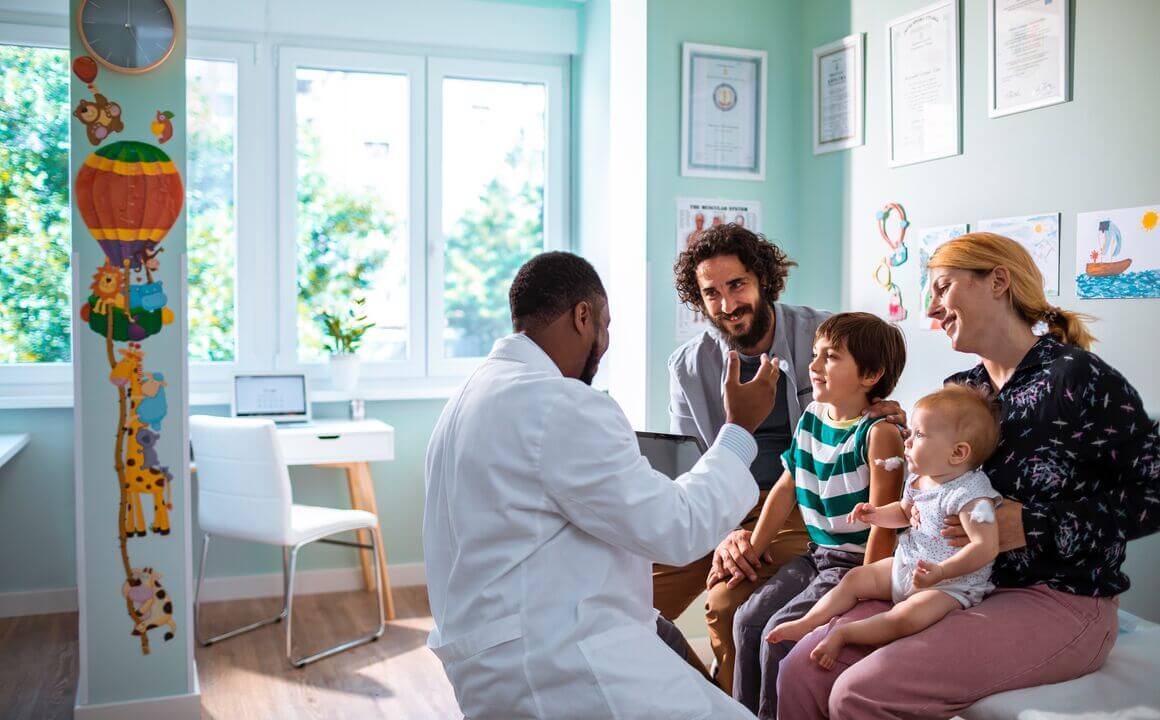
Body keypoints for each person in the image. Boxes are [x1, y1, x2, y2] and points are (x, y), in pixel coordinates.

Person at [777, 232, 1160, 719]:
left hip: (1059, 597)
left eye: (941, 289)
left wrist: (1032, 525)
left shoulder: (1076, 378)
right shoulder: (965, 389)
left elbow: (1153, 490)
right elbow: (938, 480)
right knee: (803, 669)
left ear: (997, 281)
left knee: (859, 692)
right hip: (960, 585)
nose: (932, 310)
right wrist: (902, 434)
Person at [423, 251, 776, 720]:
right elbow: (678, 529)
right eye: (604, 325)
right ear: (582, 316)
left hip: (493, 659)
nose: (605, 342)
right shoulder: (560, 403)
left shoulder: (472, 396)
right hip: (558, 662)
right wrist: (739, 429)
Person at [665, 223, 901, 693]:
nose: (728, 305)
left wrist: (887, 416)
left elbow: (870, 416)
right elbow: (691, 466)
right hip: (721, 504)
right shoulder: (687, 366)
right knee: (629, 593)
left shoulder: (825, 338)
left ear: (763, 281)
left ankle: (740, 699)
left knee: (727, 604)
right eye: (711, 293)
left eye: (737, 285)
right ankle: (703, 696)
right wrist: (727, 529)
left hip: (801, 506)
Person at [729, 312, 906, 718]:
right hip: (818, 554)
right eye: (815, 354)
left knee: (778, 637)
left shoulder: (879, 434)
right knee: (748, 620)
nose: (813, 365)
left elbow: (881, 520)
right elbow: (786, 488)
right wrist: (754, 549)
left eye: (830, 356)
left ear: (871, 373)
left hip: (852, 565)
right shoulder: (810, 418)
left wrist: (867, 587)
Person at [769, 384, 1002, 671]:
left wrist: (942, 572)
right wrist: (875, 514)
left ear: (957, 453)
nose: (907, 441)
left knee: (905, 617)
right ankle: (808, 622)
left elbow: (986, 545)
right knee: (855, 579)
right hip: (907, 566)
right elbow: (903, 513)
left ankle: (844, 634)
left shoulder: (972, 494)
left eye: (919, 435)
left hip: (950, 585)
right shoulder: (919, 478)